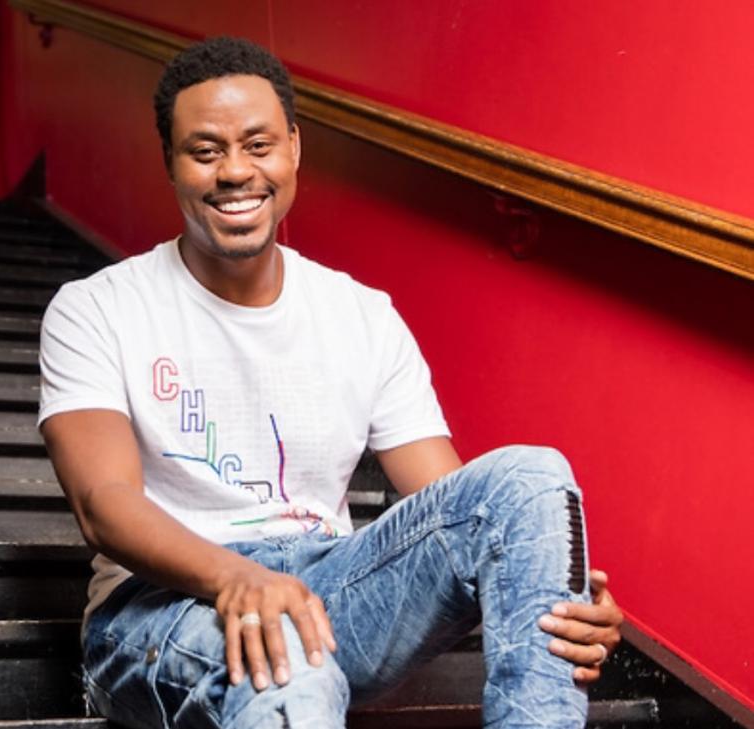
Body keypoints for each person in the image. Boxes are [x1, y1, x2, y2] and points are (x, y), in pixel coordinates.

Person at [39, 36, 622, 729]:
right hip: (159, 606)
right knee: (289, 667)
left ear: (293, 149)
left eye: (257, 145)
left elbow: (454, 507)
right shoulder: (97, 306)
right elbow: (102, 502)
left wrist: (554, 585)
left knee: (530, 479)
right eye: (204, 150)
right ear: (170, 162)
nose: (234, 171)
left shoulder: (361, 314)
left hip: (330, 586)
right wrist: (235, 577)